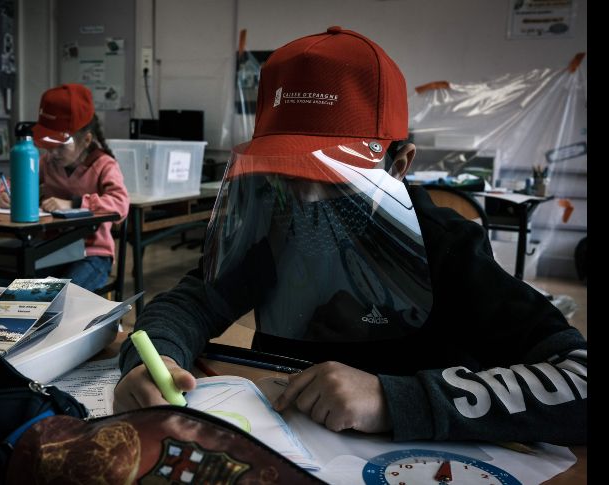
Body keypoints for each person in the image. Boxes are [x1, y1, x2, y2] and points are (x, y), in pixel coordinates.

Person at [115, 27, 586, 445]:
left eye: (339, 176)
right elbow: (193, 302)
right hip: (286, 444)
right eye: (289, 173)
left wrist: (393, 399)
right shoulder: (276, 231)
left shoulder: (449, 248)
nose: (310, 199)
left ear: (399, 164)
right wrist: (153, 361)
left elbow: (579, 378)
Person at [0, 83, 129, 292]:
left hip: (90, 254)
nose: (53, 152)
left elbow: (120, 205)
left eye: (60, 145)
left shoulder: (104, 165)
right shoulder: (47, 162)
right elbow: (14, 181)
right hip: (48, 250)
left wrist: (73, 204)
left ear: (86, 140)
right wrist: (4, 193)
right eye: (48, 144)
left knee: (61, 298)